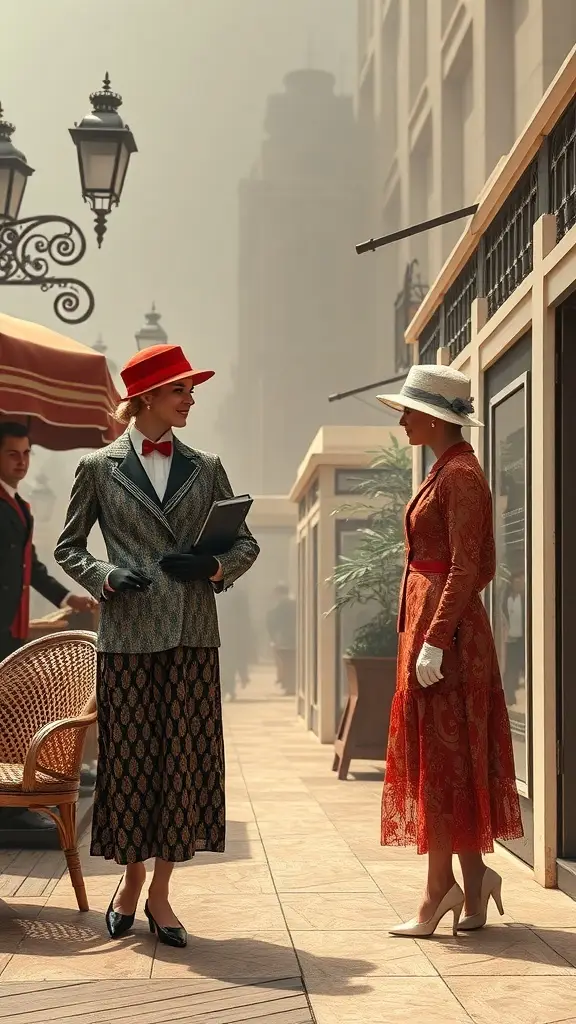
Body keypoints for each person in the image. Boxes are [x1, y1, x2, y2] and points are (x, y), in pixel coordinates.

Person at [55, 344, 259, 948]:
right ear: (145, 398)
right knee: (129, 765)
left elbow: (244, 545)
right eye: (180, 390)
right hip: (127, 638)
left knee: (184, 766)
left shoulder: (209, 465)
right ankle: (131, 880)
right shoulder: (98, 468)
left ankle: (163, 895)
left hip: (193, 637)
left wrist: (213, 567)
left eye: (191, 390)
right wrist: (105, 577)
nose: (191, 398)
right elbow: (69, 547)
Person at [376, 365, 523, 937]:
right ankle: (476, 880)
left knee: (443, 763)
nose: (404, 419)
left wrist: (435, 637)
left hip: (450, 637)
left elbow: (471, 565)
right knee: (450, 758)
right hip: (438, 628)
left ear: (437, 415)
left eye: (410, 410)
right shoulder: (447, 469)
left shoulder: (461, 475)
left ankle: (439, 893)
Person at [0, 422, 97, 836]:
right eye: (12, 454)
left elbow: (32, 567)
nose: (21, 462)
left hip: (12, 629)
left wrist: (66, 598)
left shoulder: (17, 504)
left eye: (26, 454)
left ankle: (12, 800)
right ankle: (7, 807)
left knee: (6, 718)